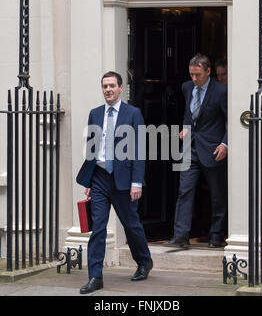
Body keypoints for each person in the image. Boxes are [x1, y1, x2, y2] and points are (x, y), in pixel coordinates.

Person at [76, 71, 153, 294]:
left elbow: (139, 150)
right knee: (97, 228)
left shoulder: (133, 113)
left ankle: (144, 261)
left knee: (131, 225)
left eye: (112, 86)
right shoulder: (95, 114)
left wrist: (136, 182)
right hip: (100, 177)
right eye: (104, 86)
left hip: (124, 180)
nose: (108, 90)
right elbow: (92, 149)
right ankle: (95, 277)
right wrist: (89, 180)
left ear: (120, 88)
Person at [164, 53, 228, 248]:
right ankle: (180, 235)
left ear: (208, 72)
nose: (194, 78)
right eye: (191, 74)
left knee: (217, 195)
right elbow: (188, 113)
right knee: (184, 190)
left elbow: (229, 119)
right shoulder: (187, 87)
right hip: (190, 147)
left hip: (213, 148)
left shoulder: (221, 91)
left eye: (198, 75)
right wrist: (185, 127)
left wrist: (225, 144)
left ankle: (217, 235)